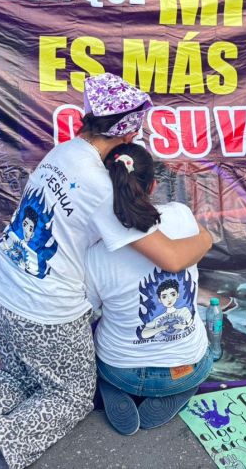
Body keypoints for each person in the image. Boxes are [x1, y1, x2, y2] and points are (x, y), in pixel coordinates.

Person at [0, 73, 213, 469]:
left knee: (26, 375)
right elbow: (172, 258)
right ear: (127, 138)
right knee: (70, 394)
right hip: (42, 311)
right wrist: (206, 238)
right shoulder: (104, 190)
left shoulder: (63, 153)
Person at [85, 143, 211, 435]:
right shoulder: (181, 215)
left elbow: (88, 312)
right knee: (205, 352)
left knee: (103, 343)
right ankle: (177, 390)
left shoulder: (94, 250)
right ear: (153, 185)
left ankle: (112, 388)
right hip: (183, 368)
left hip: (121, 369)